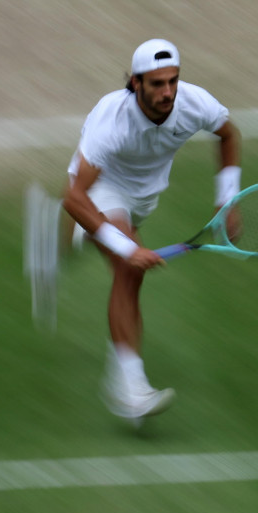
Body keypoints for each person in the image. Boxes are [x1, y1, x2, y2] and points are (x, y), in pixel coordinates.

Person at [62, 39, 241, 423]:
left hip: (145, 197)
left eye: (173, 81)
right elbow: (74, 197)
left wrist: (227, 200)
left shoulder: (194, 103)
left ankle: (77, 236)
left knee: (120, 263)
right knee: (129, 270)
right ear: (135, 84)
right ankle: (130, 391)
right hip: (100, 188)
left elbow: (228, 136)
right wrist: (128, 249)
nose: (168, 92)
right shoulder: (112, 122)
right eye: (157, 84)